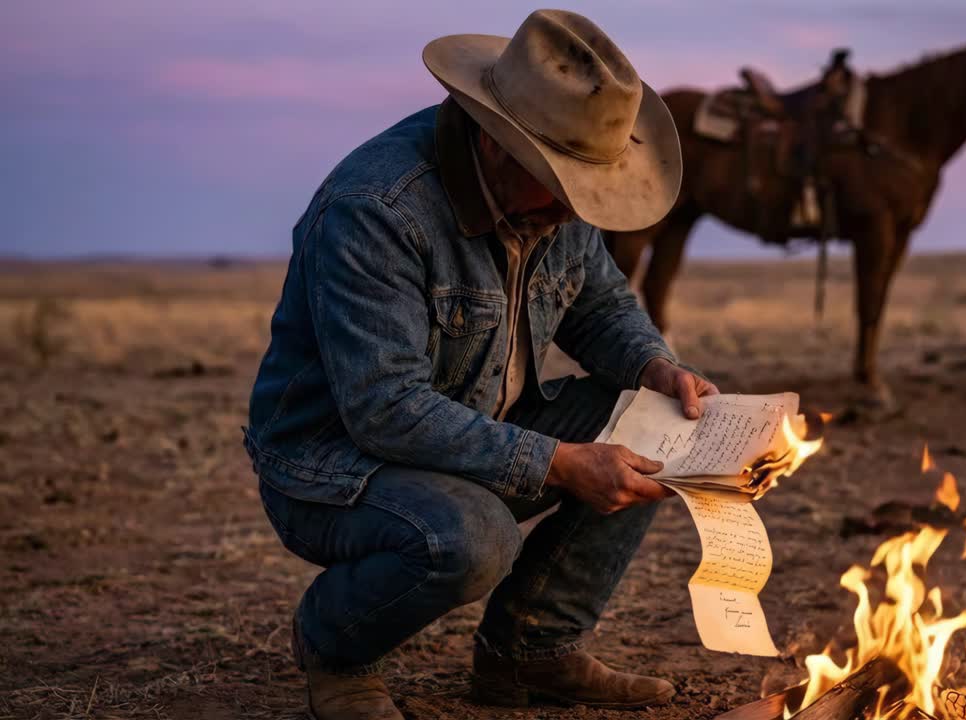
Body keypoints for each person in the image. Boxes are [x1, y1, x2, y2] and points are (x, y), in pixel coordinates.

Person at [243, 10, 716, 719]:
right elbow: (386, 409)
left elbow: (599, 306)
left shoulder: (554, 206)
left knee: (656, 433)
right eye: (563, 186)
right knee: (472, 537)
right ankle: (334, 647)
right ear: (499, 145)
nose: (574, 212)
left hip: (470, 426)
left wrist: (657, 368)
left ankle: (530, 650)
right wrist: (560, 461)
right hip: (335, 464)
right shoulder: (376, 210)